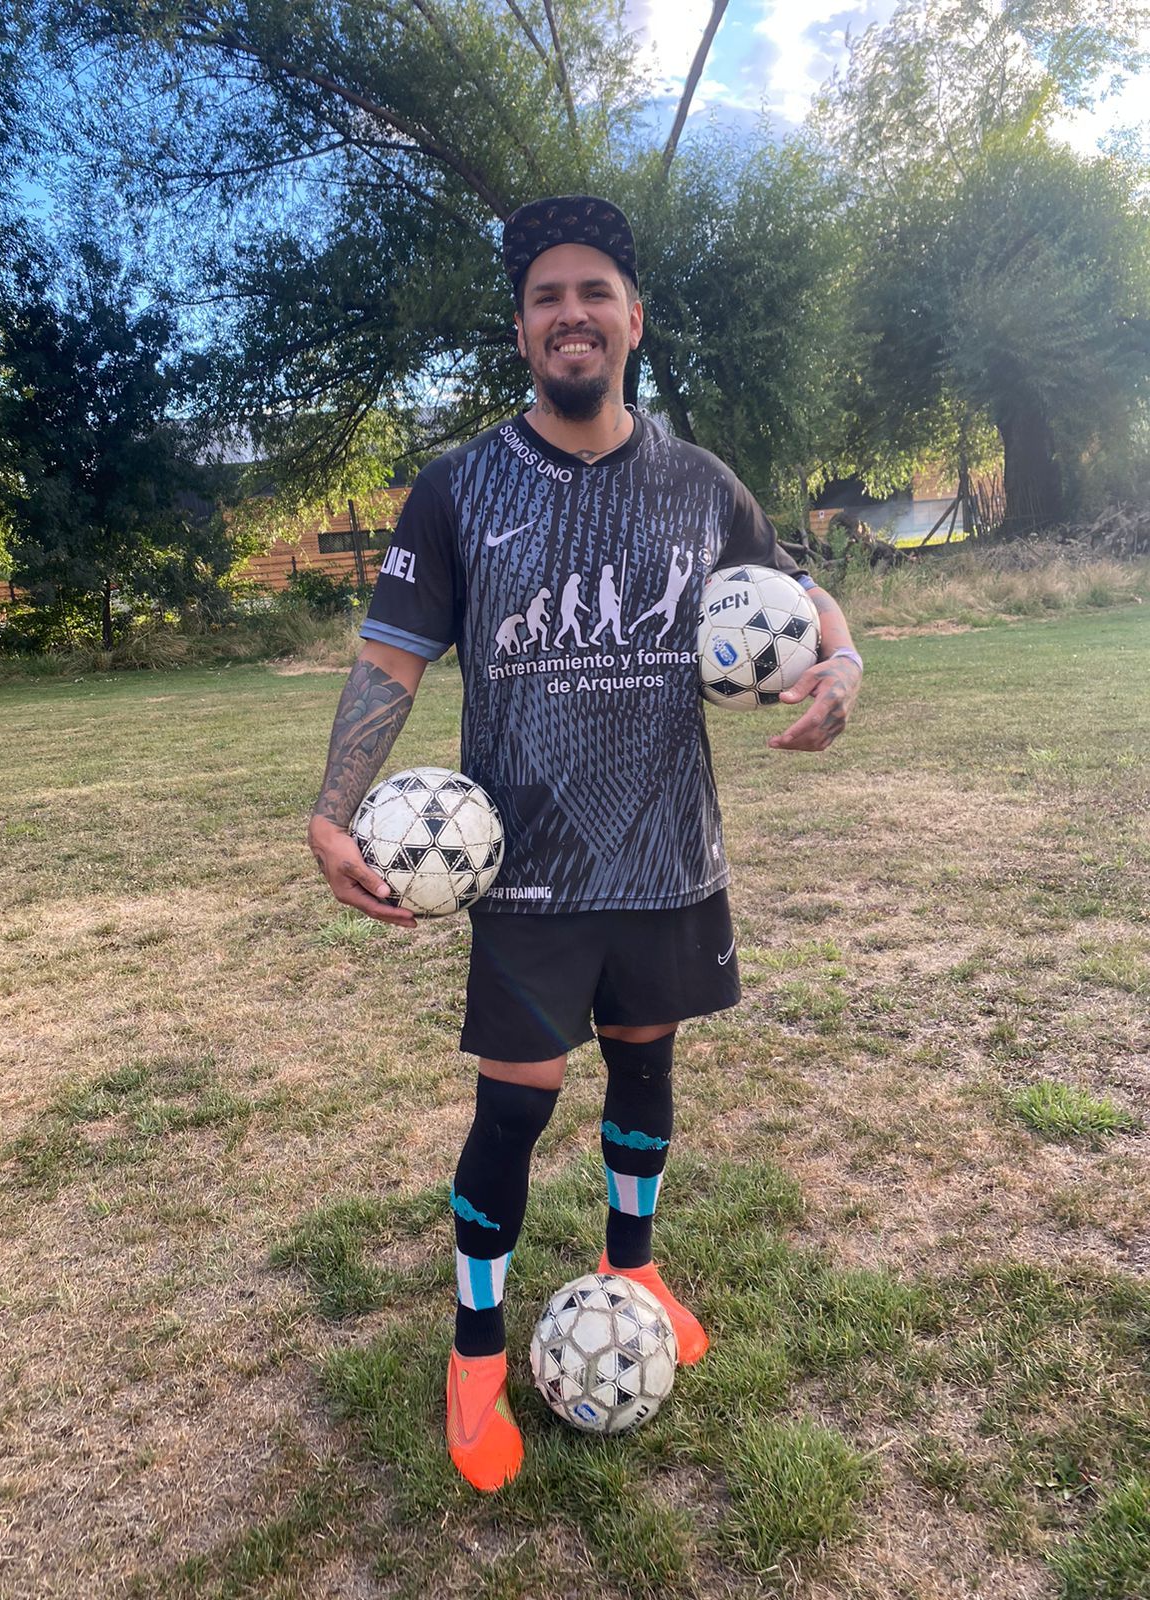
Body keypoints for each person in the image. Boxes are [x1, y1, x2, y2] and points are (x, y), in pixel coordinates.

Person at [308, 196, 863, 1493]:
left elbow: (796, 597)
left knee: (645, 1073)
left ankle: (634, 1267)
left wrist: (843, 660)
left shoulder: (701, 483)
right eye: (547, 296)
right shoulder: (459, 487)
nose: (572, 314)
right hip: (528, 868)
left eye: (594, 291)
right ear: (521, 330)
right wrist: (335, 807)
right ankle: (475, 1351)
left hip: (665, 853)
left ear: (633, 319)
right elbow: (391, 659)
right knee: (515, 1104)